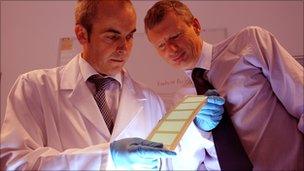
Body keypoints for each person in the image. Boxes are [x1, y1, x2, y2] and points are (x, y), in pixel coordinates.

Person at [0, 0, 225, 170]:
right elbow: (14, 163)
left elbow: (171, 164)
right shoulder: (34, 88)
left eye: (129, 36)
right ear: (82, 34)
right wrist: (108, 158)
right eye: (112, 36)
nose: (123, 47)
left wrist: (198, 130)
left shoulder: (150, 99)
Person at [144, 0, 304, 170]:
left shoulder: (249, 43)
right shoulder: (179, 101)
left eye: (175, 36)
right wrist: (198, 130)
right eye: (161, 45)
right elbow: (187, 165)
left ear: (196, 26)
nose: (172, 49)